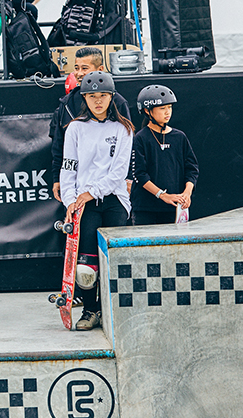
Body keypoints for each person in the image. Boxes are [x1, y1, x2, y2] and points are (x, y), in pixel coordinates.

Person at [60, 71, 134, 331]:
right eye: (92, 96)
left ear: (112, 97)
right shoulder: (75, 128)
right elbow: (68, 168)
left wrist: (91, 192)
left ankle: (114, 310)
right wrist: (70, 201)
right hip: (84, 203)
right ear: (84, 98)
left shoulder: (123, 129)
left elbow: (119, 173)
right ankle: (91, 311)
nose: (98, 101)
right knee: (86, 267)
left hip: (114, 200)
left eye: (103, 96)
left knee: (114, 261)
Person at [49, 47, 132, 202]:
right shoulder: (66, 103)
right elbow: (58, 143)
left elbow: (127, 146)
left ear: (100, 69)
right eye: (76, 68)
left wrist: (128, 177)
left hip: (111, 190)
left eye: (84, 68)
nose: (79, 73)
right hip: (76, 188)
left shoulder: (118, 103)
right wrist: (57, 178)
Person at [131, 85, 199, 225]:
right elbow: (139, 174)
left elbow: (192, 168)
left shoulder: (179, 137)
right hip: (146, 209)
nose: (168, 112)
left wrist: (187, 193)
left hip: (174, 207)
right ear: (147, 111)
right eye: (162, 108)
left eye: (169, 107)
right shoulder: (141, 138)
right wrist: (162, 195)